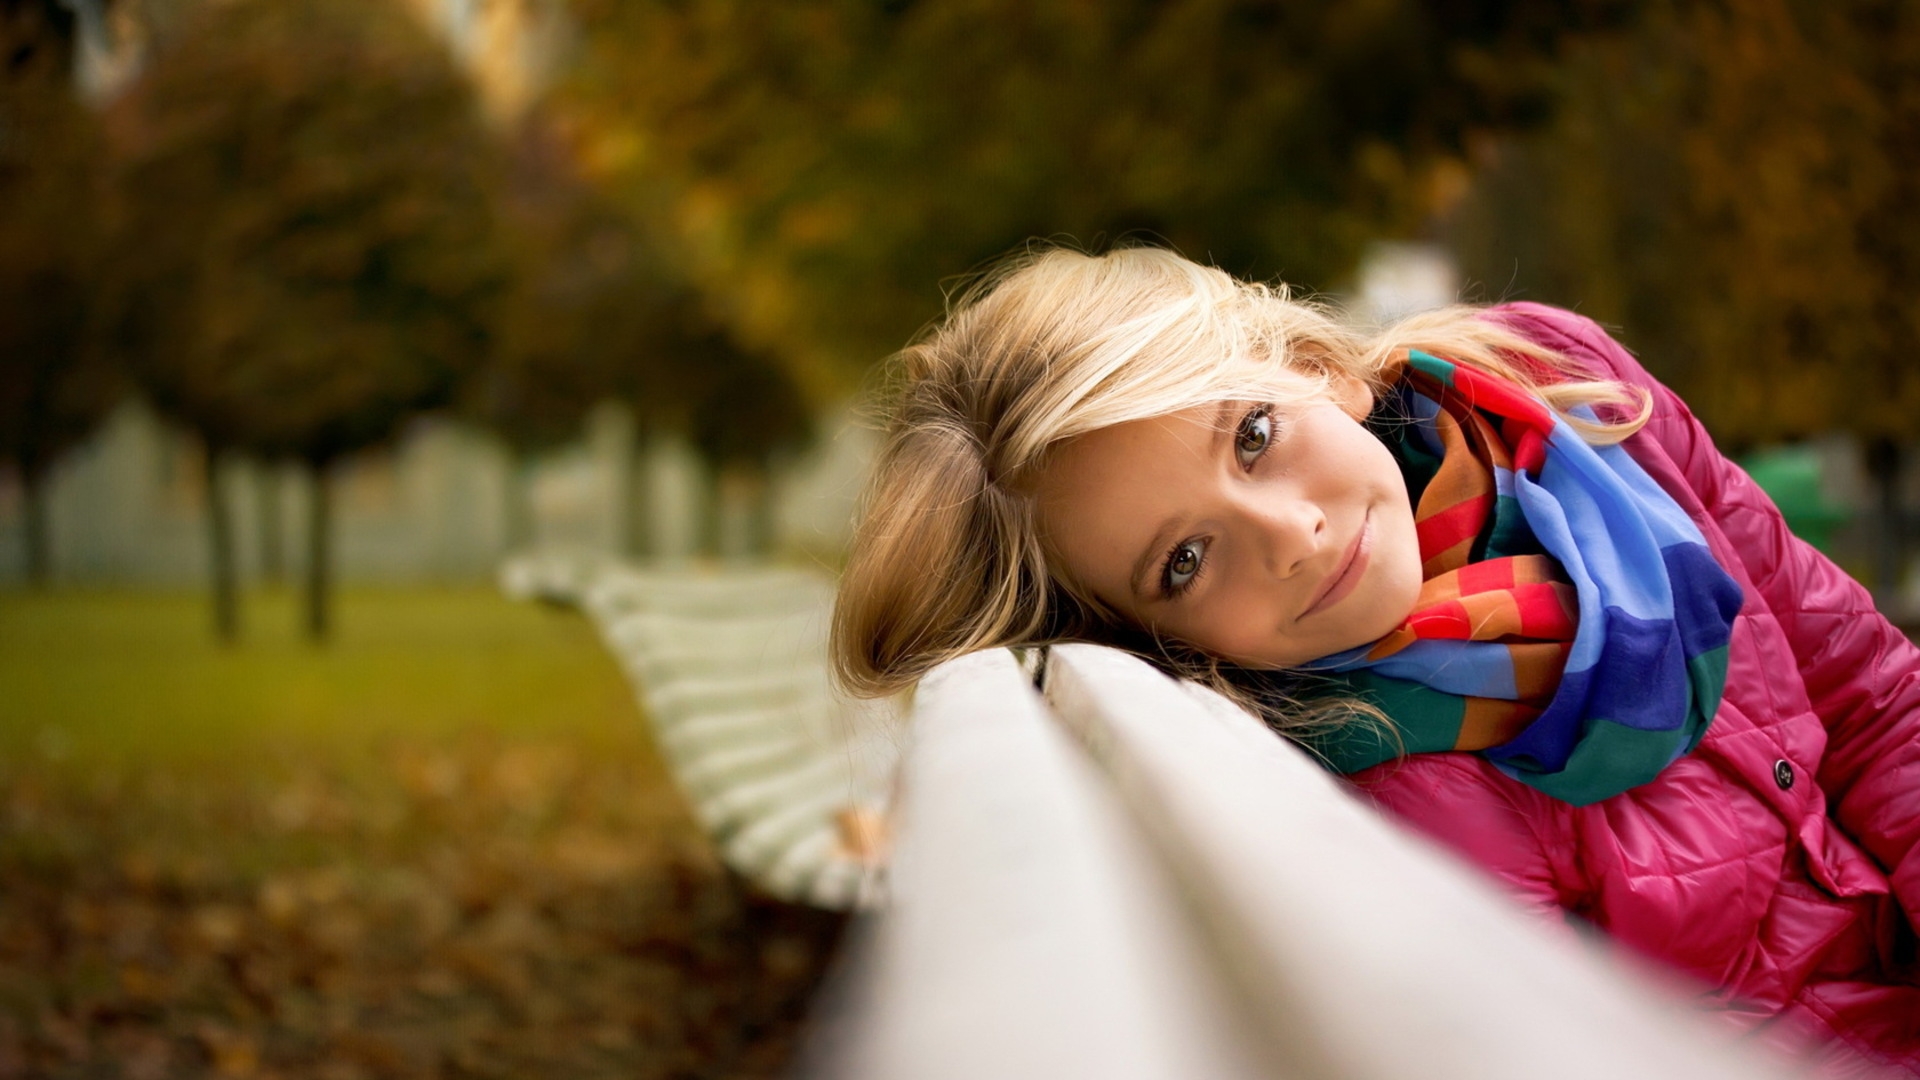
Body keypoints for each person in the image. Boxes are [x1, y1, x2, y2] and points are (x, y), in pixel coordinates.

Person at [830, 244, 1920, 1076]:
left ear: (1310, 365)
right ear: (1157, 636)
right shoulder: (1383, 791)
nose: (1292, 536)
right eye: (1187, 561)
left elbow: (1871, 696)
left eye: (1252, 436)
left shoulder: (1560, 393)